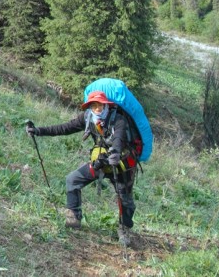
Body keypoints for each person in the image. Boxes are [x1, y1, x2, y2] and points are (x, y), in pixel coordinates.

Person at [26, 90, 142, 248]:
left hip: (122, 164)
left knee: (125, 198)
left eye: (100, 105)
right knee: (73, 180)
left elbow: (119, 137)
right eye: (93, 106)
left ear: (106, 105)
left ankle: (125, 229)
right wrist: (39, 131)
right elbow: (65, 128)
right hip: (101, 163)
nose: (97, 109)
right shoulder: (88, 118)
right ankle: (74, 218)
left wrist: (115, 152)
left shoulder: (119, 119)